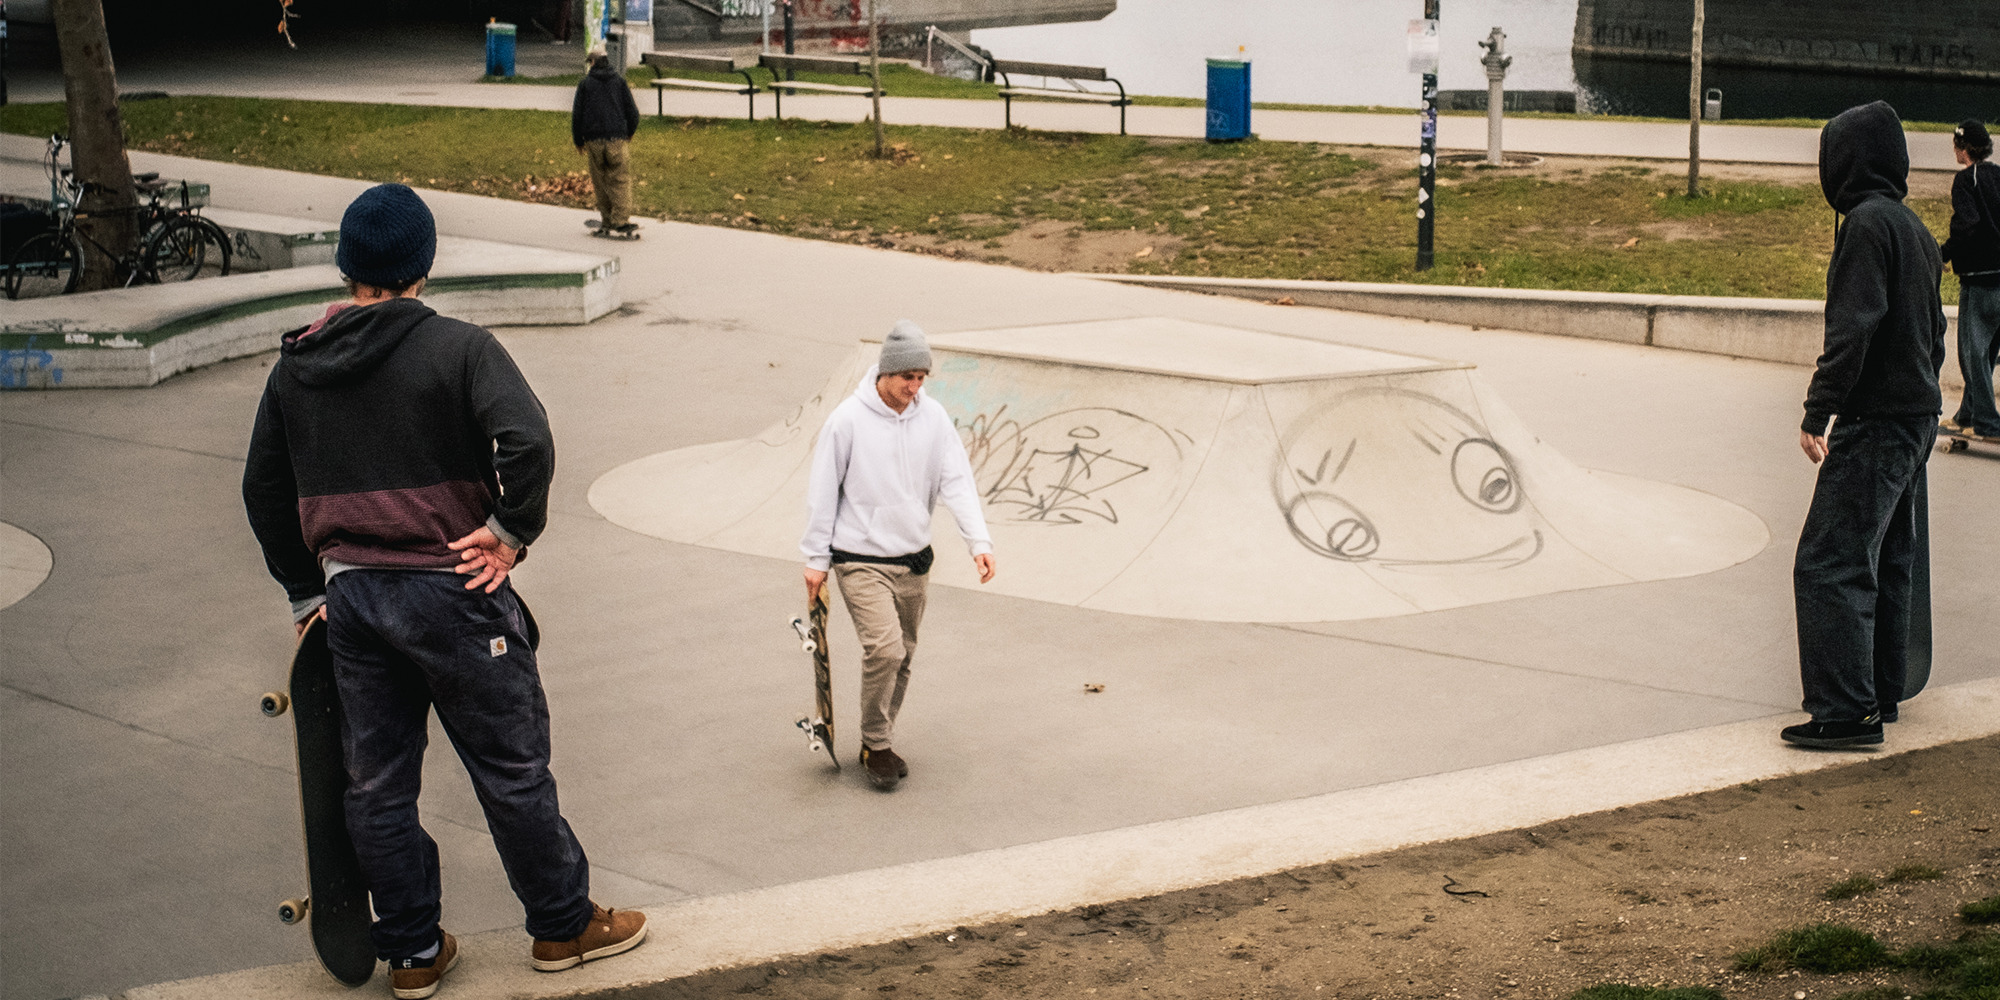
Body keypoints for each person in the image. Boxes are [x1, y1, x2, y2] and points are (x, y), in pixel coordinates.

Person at [242, 184, 645, 997]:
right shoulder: (460, 348)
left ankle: (414, 953)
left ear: (347, 265)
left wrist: (304, 591)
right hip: (453, 594)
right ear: (424, 265)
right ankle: (564, 926)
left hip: (353, 604)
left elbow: (263, 487)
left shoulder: (299, 364)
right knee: (510, 768)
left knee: (377, 784)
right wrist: (508, 531)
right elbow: (525, 438)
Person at [1786, 101, 1948, 750]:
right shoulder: (1911, 227)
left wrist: (1818, 410)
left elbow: (1852, 328)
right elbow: (1933, 335)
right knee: (1888, 556)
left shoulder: (1864, 225)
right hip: (1917, 415)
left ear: (1843, 164)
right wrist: (1925, 400)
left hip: (1877, 419)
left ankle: (1846, 711)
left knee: (1830, 560)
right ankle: (1883, 686)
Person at [800, 321, 997, 790]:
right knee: (884, 649)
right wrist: (815, 558)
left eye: (922, 377)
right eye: (906, 376)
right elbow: (823, 490)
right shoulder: (847, 420)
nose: (914, 387)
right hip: (859, 558)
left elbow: (957, 482)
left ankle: (878, 738)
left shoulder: (934, 418)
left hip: (914, 561)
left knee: (903, 655)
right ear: (885, 373)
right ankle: (877, 742)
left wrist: (979, 542)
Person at [1939, 119, 2000, 439]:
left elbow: (1967, 223)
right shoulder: (1999, 175)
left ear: (1963, 149)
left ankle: (1989, 423)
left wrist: (1943, 254)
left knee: (1971, 352)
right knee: (1987, 352)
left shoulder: (1966, 180)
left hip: (1980, 279)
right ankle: (1967, 415)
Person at [572, 43, 641, 236]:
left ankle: (607, 220)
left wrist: (578, 141)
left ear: (593, 62)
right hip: (616, 138)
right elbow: (633, 112)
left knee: (601, 182)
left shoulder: (585, 84)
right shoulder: (619, 82)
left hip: (593, 140)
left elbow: (577, 115)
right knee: (620, 180)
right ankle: (621, 220)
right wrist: (630, 131)